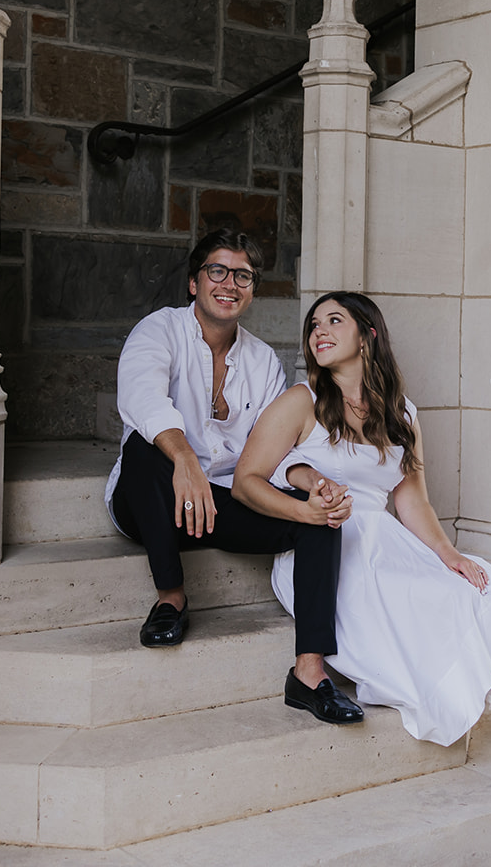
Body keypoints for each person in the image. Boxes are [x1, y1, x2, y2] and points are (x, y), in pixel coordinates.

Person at [232, 291, 491, 769]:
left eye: (333, 321)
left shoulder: (402, 414)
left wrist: (449, 555)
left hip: (387, 546)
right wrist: (305, 511)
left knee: (482, 588)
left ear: (368, 336)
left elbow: (413, 502)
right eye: (313, 326)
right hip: (326, 554)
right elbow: (246, 481)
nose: (318, 332)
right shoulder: (301, 401)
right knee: (454, 607)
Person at [105, 229, 363, 724]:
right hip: (153, 502)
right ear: (193, 283)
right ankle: (171, 598)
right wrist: (182, 458)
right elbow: (142, 398)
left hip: (222, 502)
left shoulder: (262, 359)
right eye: (217, 271)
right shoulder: (158, 330)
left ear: (252, 288)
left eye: (242, 275)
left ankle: (309, 673)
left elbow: (273, 444)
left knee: (322, 517)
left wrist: (309, 481)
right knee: (144, 447)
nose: (229, 283)